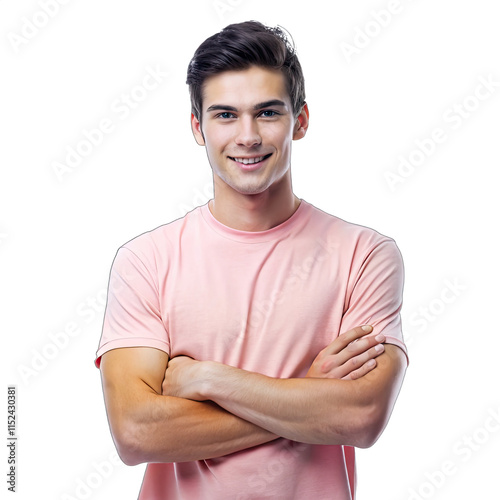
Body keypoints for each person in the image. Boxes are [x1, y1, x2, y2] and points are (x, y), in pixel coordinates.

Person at [95, 20, 408, 500]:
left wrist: (207, 379)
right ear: (197, 127)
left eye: (267, 113)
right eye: (224, 115)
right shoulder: (146, 261)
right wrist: (306, 393)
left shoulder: (364, 255)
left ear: (299, 121)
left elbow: (361, 417)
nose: (247, 136)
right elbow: (137, 432)